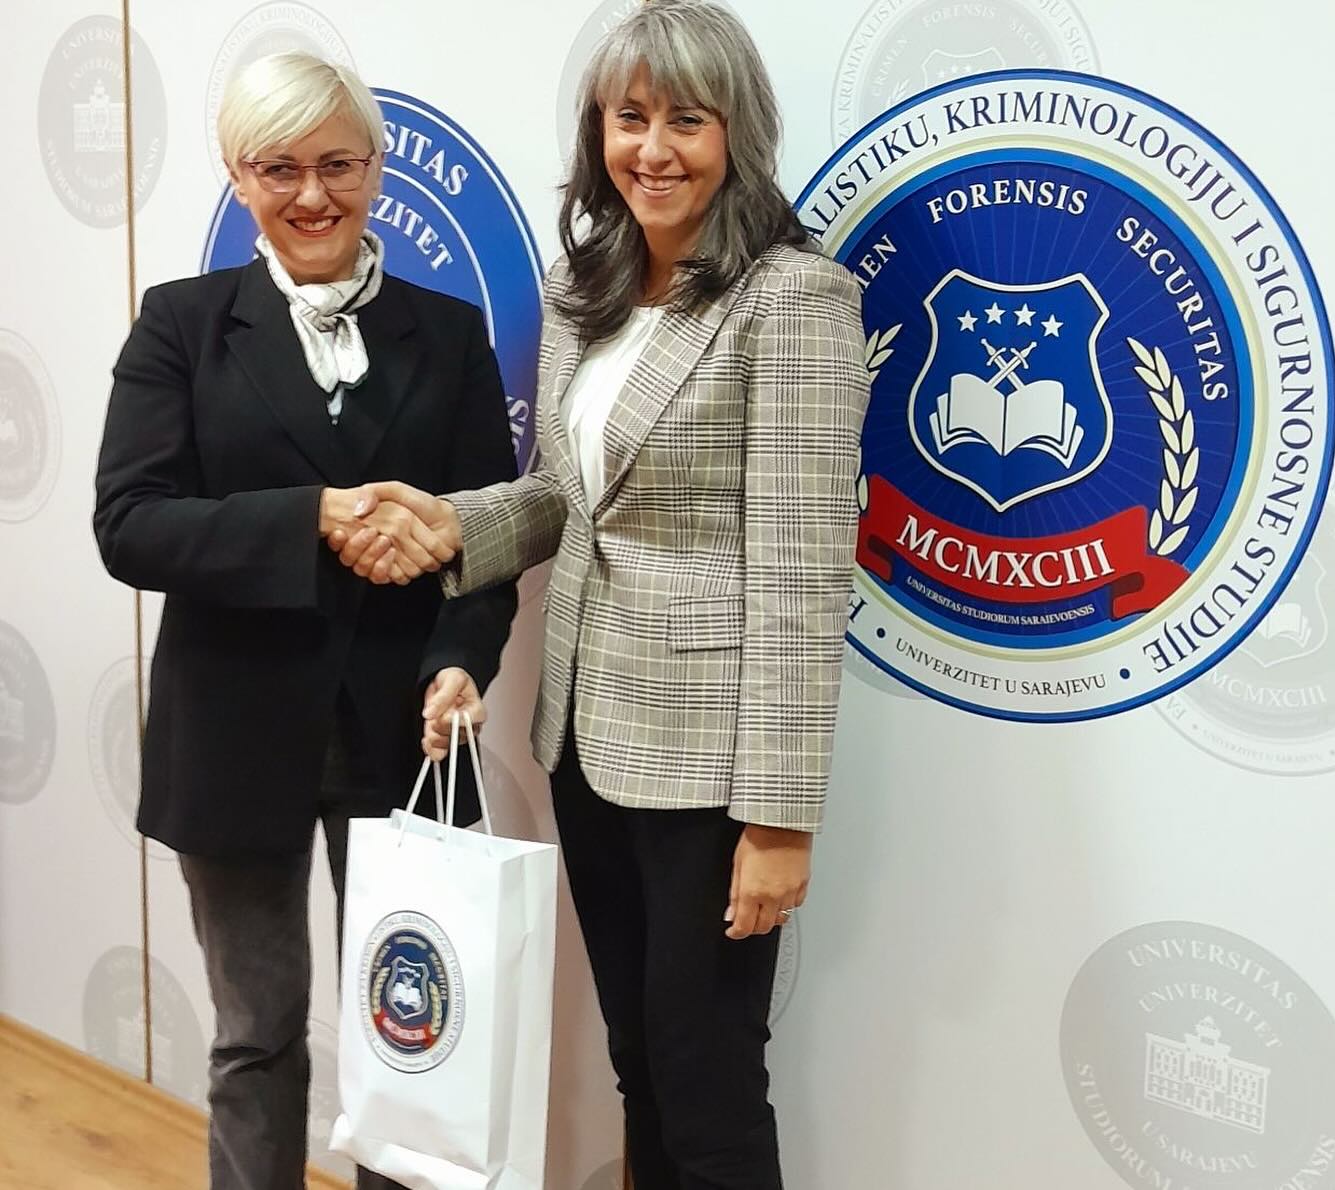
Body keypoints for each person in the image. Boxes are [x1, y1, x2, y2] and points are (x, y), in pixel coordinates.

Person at [337, 2, 868, 1186]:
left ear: (737, 134)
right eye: (630, 118)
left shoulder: (792, 298)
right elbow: (563, 497)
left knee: (709, 1083)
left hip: (712, 773)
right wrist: (452, 524)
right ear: (599, 132)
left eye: (688, 119)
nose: (654, 149)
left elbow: (800, 573)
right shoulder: (589, 286)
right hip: (584, 740)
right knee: (639, 1062)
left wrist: (780, 819)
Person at [92, 51, 517, 1190]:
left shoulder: (451, 332)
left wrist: (461, 662)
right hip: (231, 736)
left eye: (338, 164)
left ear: (377, 168)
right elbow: (130, 525)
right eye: (280, 168)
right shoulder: (180, 325)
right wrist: (310, 519)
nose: (313, 194)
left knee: (410, 1040)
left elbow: (484, 542)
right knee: (255, 1037)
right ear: (239, 176)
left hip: (407, 734)